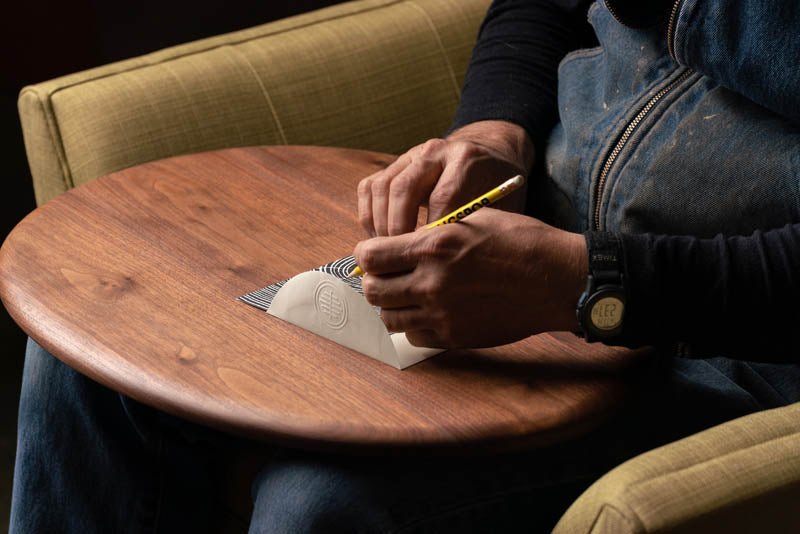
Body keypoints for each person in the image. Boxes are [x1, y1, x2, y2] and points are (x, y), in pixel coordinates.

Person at [11, 0, 800, 532]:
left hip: (735, 352)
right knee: (93, 355)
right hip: (529, 234)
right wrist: (494, 134)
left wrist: (586, 284)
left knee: (319, 507)